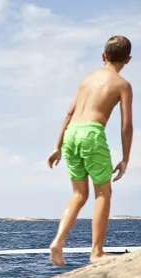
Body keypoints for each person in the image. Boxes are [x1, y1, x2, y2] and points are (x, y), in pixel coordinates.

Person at [46, 35, 134, 266]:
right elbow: (126, 126)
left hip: (72, 133)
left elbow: (69, 113)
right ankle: (97, 252)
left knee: (78, 195)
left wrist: (57, 146)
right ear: (127, 60)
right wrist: (125, 158)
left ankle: (57, 242)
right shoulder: (122, 85)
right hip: (92, 133)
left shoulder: (86, 79)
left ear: (103, 56)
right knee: (103, 193)